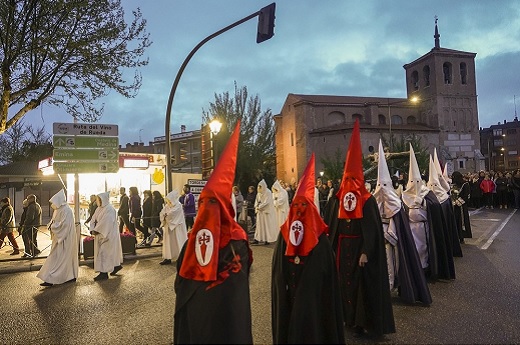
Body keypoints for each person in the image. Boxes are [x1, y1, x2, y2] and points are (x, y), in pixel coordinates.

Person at [174, 121, 253, 344]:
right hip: (207, 320)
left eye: (212, 203)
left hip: (223, 319)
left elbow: (236, 288)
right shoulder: (194, 240)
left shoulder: (235, 242)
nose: (207, 209)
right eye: (204, 203)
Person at [324, 120, 395, 338]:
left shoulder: (366, 201)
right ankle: (346, 317)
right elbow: (329, 224)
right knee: (342, 286)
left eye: (353, 179)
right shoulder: (336, 200)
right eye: (347, 179)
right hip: (342, 247)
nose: (349, 183)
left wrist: (366, 251)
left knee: (359, 287)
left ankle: (362, 322)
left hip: (358, 249)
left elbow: (372, 229)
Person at [272, 153, 345, 344]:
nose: (299, 209)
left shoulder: (320, 239)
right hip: (290, 293)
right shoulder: (284, 233)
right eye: (296, 205)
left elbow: (323, 272)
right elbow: (278, 267)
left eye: (304, 205)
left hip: (312, 300)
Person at [373, 141, 432, 306]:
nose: (382, 189)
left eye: (384, 185)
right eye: (379, 185)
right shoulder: (382, 199)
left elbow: (399, 219)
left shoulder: (397, 202)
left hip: (400, 236)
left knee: (400, 262)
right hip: (382, 238)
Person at [403, 144, 452, 281]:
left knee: (426, 249)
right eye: (412, 181)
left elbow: (434, 207)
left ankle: (428, 269)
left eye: (417, 181)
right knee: (414, 249)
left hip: (425, 227)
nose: (414, 183)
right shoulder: (405, 195)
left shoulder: (428, 195)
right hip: (411, 228)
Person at [36, 190, 78, 287]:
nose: (52, 204)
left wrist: (53, 227)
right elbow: (54, 221)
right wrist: (51, 225)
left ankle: (61, 277)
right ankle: (50, 278)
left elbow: (65, 225)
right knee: (55, 258)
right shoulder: (58, 209)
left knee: (61, 259)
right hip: (58, 238)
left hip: (64, 239)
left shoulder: (67, 210)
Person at [90, 191, 123, 281]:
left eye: (99, 199)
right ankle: (116, 266)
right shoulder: (99, 209)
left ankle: (103, 273)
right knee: (107, 253)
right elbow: (93, 219)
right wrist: (93, 228)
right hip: (101, 233)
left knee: (104, 253)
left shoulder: (110, 209)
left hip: (108, 235)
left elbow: (106, 222)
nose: (97, 201)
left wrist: (96, 230)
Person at [158, 190, 188, 265]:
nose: (169, 202)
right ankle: (168, 258)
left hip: (176, 227)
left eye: (170, 200)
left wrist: (166, 215)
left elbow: (172, 214)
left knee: (178, 241)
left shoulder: (178, 205)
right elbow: (162, 213)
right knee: (168, 243)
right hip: (169, 227)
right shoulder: (167, 206)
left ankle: (180, 258)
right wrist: (165, 216)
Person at [251, 179, 279, 245]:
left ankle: (267, 239)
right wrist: (256, 207)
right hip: (260, 212)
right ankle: (257, 238)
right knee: (259, 226)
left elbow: (267, 202)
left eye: (260, 187)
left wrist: (260, 207)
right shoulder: (259, 193)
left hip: (266, 212)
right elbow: (256, 201)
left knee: (266, 226)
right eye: (259, 186)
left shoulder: (268, 192)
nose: (259, 188)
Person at [451, 171, 473, 241]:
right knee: (455, 221)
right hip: (454, 206)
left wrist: (457, 202)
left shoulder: (465, 184)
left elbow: (467, 196)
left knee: (462, 221)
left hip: (461, 206)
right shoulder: (453, 185)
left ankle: (462, 236)